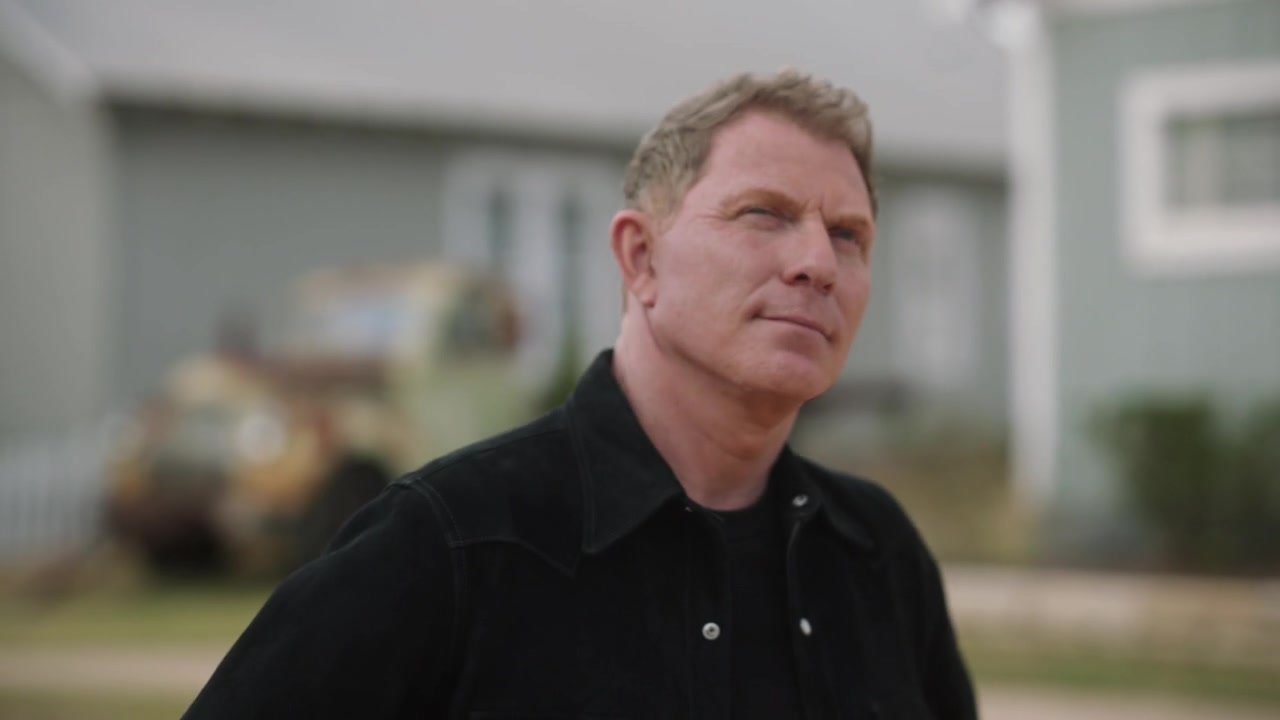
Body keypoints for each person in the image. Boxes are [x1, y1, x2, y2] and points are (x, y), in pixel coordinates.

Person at [183, 69, 977, 720]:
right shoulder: (453, 544)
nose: (819, 264)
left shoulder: (877, 552)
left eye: (848, 235)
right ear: (641, 259)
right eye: (764, 214)